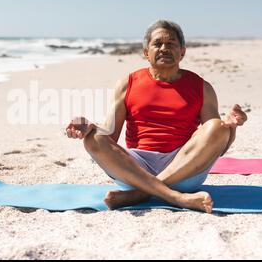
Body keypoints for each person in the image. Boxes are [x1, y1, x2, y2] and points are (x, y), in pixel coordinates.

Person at [65, 20, 248, 213]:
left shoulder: (202, 88)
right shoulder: (127, 84)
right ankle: (176, 197)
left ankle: (140, 194)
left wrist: (231, 127)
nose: (164, 48)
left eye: (171, 44)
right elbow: (109, 135)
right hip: (136, 168)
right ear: (146, 52)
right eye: (157, 44)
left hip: (184, 169)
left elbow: (217, 147)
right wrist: (88, 127)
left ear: (182, 52)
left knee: (217, 126)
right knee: (93, 138)